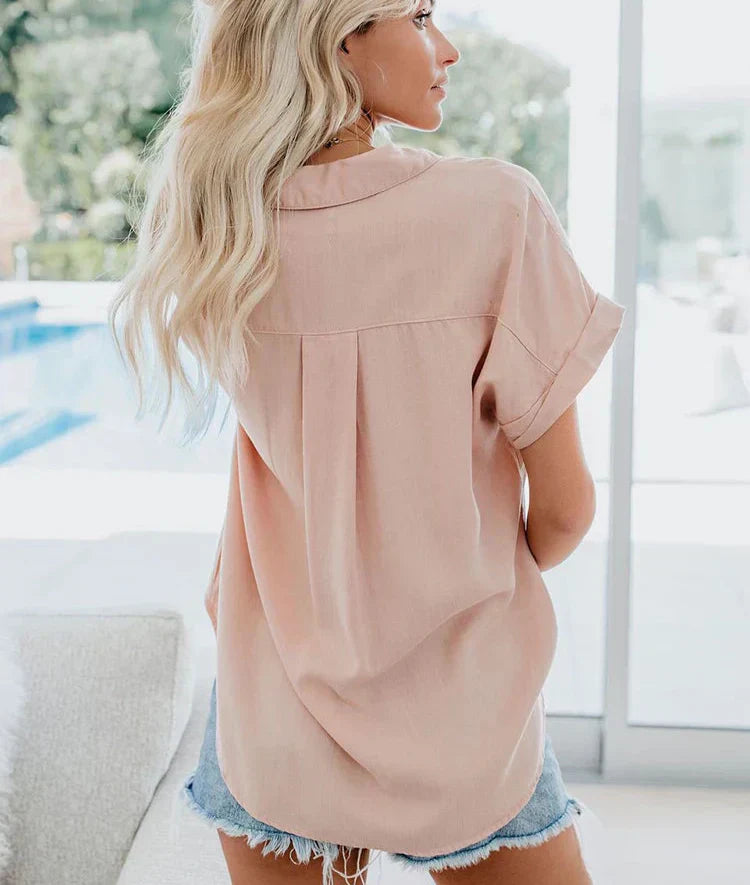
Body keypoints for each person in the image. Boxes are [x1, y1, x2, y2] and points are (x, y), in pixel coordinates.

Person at [108, 1, 626, 883]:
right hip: (462, 703)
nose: (447, 48)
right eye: (420, 16)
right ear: (339, 33)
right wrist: (465, 586)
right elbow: (567, 509)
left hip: (276, 690)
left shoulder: (225, 227)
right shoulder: (495, 210)